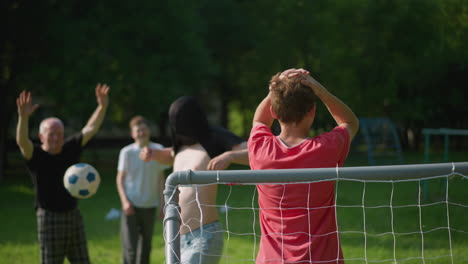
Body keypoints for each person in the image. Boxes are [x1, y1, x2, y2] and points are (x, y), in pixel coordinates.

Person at [248, 68, 359, 264]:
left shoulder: (261, 149)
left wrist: (274, 89)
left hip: (272, 260)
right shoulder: (325, 149)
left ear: (273, 111)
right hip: (322, 259)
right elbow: (350, 122)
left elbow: (259, 120)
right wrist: (321, 91)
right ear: (312, 112)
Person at [140, 96, 249, 264]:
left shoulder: (214, 137)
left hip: (204, 236)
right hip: (176, 238)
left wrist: (230, 156)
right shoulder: (181, 144)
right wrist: (153, 154)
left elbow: (254, 153)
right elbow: (170, 156)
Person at [15, 84, 110, 264]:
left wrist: (102, 107)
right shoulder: (35, 155)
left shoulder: (69, 148)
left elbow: (90, 129)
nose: (56, 138)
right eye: (51, 134)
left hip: (73, 215)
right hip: (49, 218)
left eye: (59, 133)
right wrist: (23, 117)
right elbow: (21, 141)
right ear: (42, 137)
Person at [116, 115, 171, 264]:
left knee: (145, 248)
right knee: (130, 249)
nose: (141, 133)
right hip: (131, 205)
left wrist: (162, 204)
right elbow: (120, 179)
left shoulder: (158, 150)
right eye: (138, 130)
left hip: (150, 205)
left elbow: (161, 180)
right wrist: (125, 202)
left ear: (149, 131)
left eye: (144, 129)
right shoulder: (127, 152)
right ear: (132, 134)